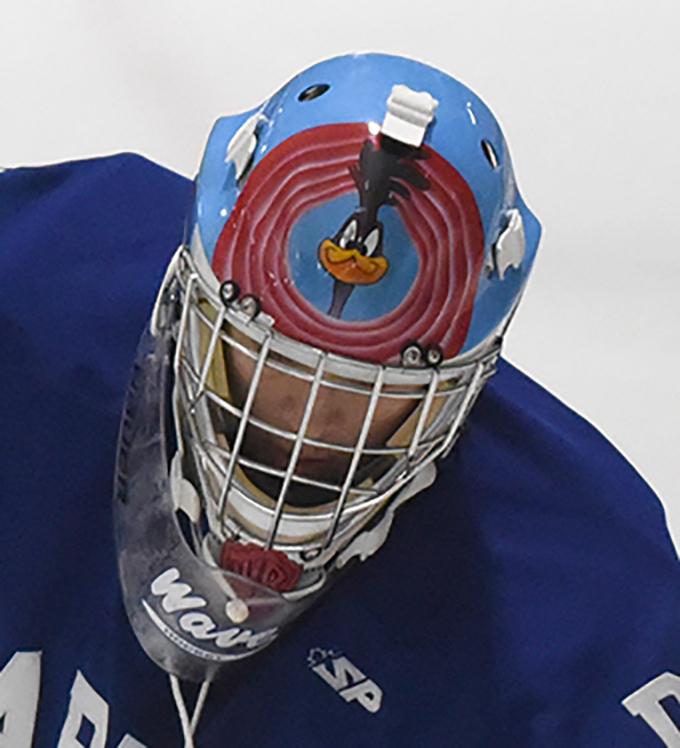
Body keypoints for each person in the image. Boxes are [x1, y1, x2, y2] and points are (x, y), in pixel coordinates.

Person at [0, 53, 678, 748]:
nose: (303, 430)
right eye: (267, 363)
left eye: (365, 394)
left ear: (465, 385)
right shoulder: (29, 293)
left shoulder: (587, 618)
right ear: (189, 299)